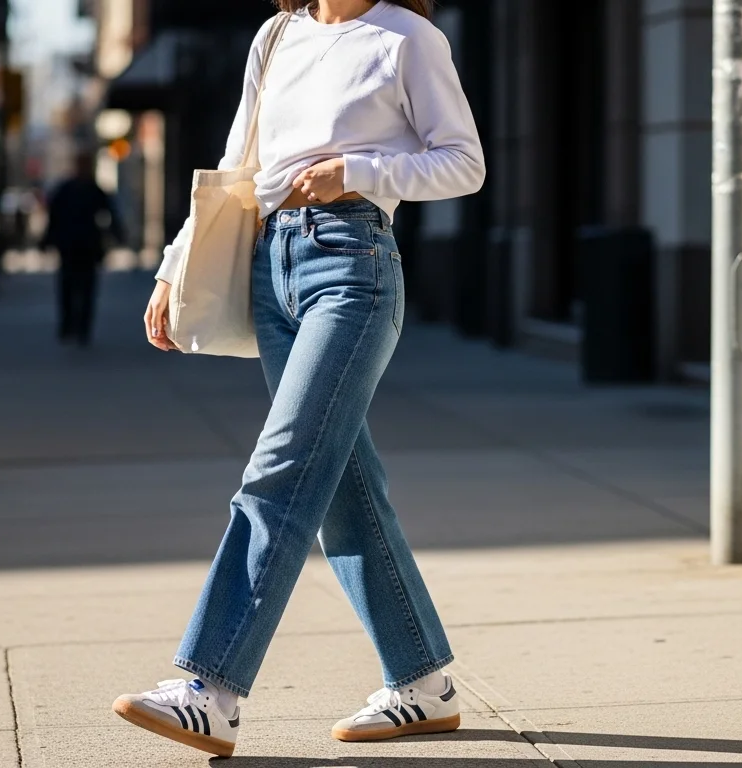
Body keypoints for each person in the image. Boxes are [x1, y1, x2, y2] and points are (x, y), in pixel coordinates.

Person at [115, 0, 484, 758]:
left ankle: (209, 690)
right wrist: (172, 266)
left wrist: (358, 170)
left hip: (354, 269)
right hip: (269, 268)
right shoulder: (276, 35)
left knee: (279, 471)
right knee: (342, 486)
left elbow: (464, 162)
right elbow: (239, 163)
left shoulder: (408, 39)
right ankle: (424, 684)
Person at [39, 152, 125, 346]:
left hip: (87, 247)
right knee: (68, 287)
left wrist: (116, 234)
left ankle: (81, 328)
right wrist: (47, 240)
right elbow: (53, 218)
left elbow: (109, 214)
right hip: (70, 246)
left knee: (85, 288)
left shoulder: (92, 190)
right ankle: (69, 325)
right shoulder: (67, 190)